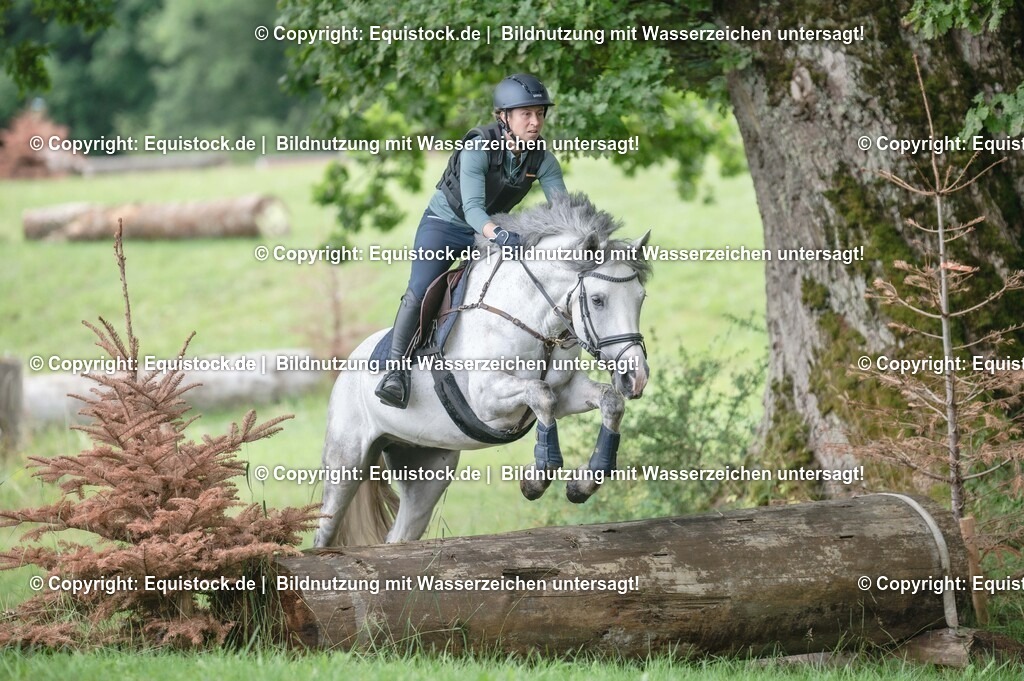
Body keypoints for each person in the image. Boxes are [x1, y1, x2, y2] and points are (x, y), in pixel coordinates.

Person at [375, 73, 568, 408]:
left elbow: (563, 210)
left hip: (493, 231)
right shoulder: (478, 146)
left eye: (540, 113)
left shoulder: (542, 160)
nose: (535, 122)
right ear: (504, 117)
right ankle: (395, 372)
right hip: (447, 226)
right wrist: (500, 235)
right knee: (421, 290)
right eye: (526, 114)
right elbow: (474, 210)